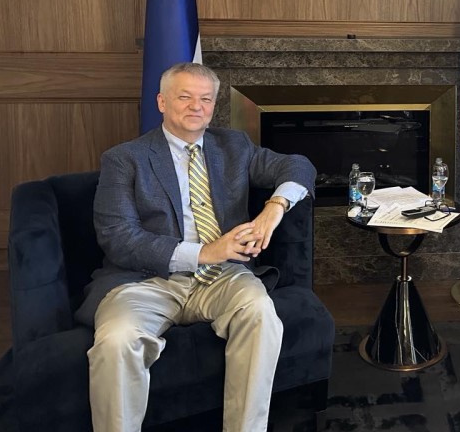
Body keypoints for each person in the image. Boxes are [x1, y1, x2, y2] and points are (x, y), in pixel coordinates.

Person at [75, 62, 316, 432]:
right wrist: (205, 252)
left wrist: (274, 207)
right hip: (145, 280)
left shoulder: (234, 146)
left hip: (223, 277)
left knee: (260, 313)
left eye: (205, 99)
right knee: (117, 340)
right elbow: (118, 238)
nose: (196, 107)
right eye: (184, 97)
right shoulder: (125, 159)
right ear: (161, 102)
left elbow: (299, 166)